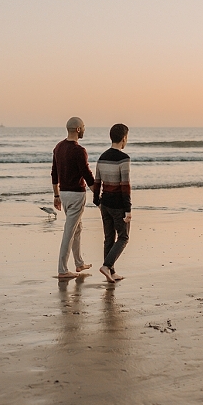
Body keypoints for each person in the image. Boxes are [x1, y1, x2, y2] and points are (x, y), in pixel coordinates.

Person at [51, 117, 96, 279]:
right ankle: (62, 269)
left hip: (63, 194)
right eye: (83, 127)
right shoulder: (79, 150)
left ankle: (79, 263)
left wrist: (56, 195)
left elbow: (54, 173)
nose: (84, 129)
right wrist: (98, 193)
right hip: (76, 195)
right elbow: (87, 174)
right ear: (78, 129)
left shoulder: (58, 147)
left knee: (77, 227)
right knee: (69, 231)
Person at [93, 124, 131, 283]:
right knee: (123, 237)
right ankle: (107, 266)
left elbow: (97, 181)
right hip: (118, 205)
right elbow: (125, 185)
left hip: (105, 203)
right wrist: (128, 210)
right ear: (124, 138)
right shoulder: (124, 159)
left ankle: (111, 272)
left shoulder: (102, 157)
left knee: (109, 237)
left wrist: (97, 201)